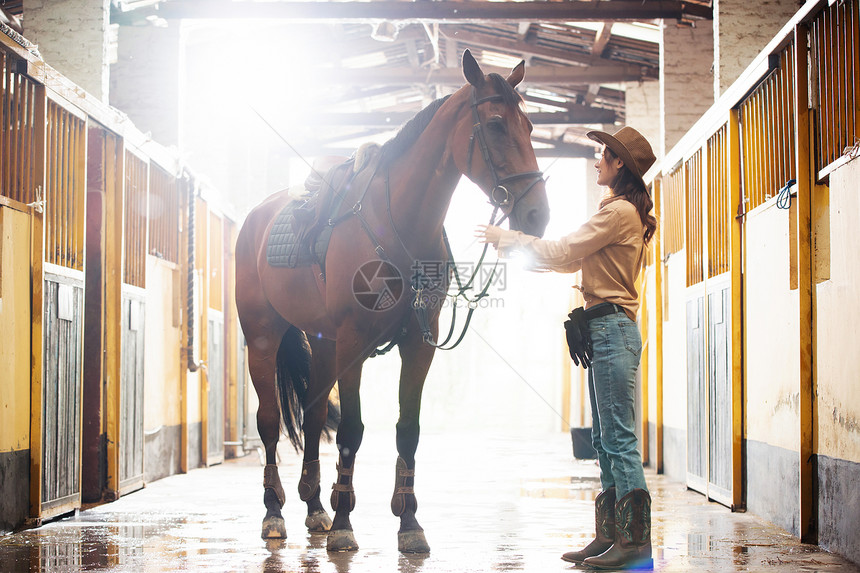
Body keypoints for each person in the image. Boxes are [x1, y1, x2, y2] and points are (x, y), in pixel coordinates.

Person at [476, 126, 656, 571]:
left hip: (612, 328)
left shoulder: (618, 214)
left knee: (618, 438)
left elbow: (561, 251)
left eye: (602, 154)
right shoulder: (617, 213)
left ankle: (634, 542)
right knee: (604, 437)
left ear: (618, 164)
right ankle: (610, 535)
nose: (597, 160)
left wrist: (508, 240)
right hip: (605, 329)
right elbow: (569, 260)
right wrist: (514, 250)